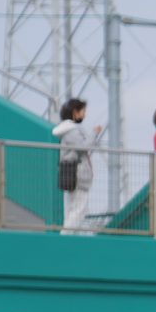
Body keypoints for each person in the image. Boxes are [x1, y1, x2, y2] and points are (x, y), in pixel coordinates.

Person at [52, 97, 103, 233]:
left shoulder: (66, 130)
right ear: (75, 112)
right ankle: (67, 238)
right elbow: (83, 147)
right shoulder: (72, 130)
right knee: (79, 209)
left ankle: (68, 237)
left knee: (71, 209)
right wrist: (94, 133)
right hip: (78, 175)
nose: (84, 114)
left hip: (71, 173)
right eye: (83, 111)